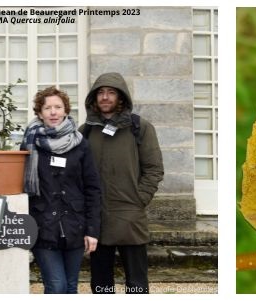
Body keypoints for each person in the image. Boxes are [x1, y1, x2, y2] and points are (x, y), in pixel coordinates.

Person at [81, 72, 164, 294]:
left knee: (137, 285)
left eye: (111, 92)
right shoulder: (86, 131)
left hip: (130, 218)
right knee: (101, 286)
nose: (105, 97)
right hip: (98, 220)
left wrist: (139, 199)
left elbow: (154, 169)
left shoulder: (140, 127)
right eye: (100, 92)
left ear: (121, 97)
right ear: (93, 98)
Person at [21, 87, 101, 294]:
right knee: (56, 286)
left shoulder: (80, 143)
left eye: (58, 107)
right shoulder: (30, 143)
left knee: (71, 287)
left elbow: (92, 189)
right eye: (47, 108)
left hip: (75, 225)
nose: (53, 112)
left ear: (66, 110)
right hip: (43, 225)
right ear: (39, 113)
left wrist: (92, 231)